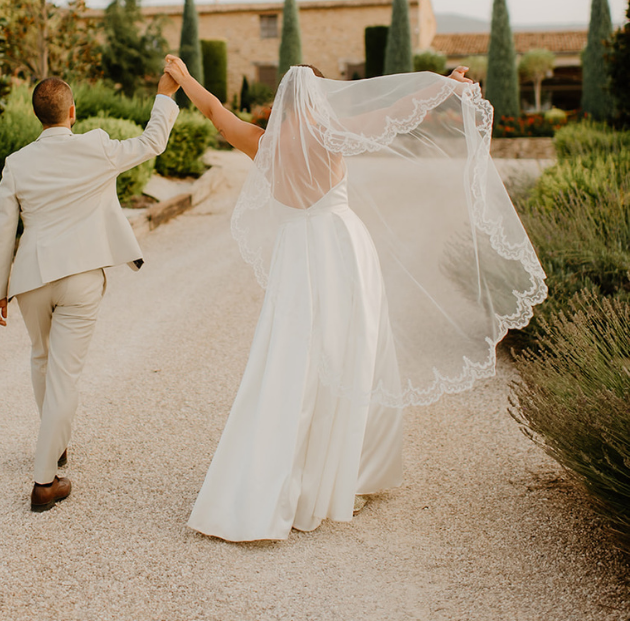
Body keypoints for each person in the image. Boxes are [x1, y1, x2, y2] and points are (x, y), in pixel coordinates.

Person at [165, 54, 546, 542]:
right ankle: (352, 472)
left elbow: (216, 111)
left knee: (291, 358)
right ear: (323, 99)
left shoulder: (263, 143)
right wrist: (445, 85)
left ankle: (277, 476)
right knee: (355, 352)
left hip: (297, 257)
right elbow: (397, 111)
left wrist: (185, 78)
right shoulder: (332, 132)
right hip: (343, 248)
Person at [0, 69, 180, 512]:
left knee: (41, 359)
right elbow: (152, 143)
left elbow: (2, 229)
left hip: (32, 278)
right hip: (81, 278)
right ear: (72, 112)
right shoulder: (96, 147)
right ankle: (44, 480)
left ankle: (55, 442)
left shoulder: (17, 163)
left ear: (37, 116)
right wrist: (164, 95)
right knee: (65, 374)